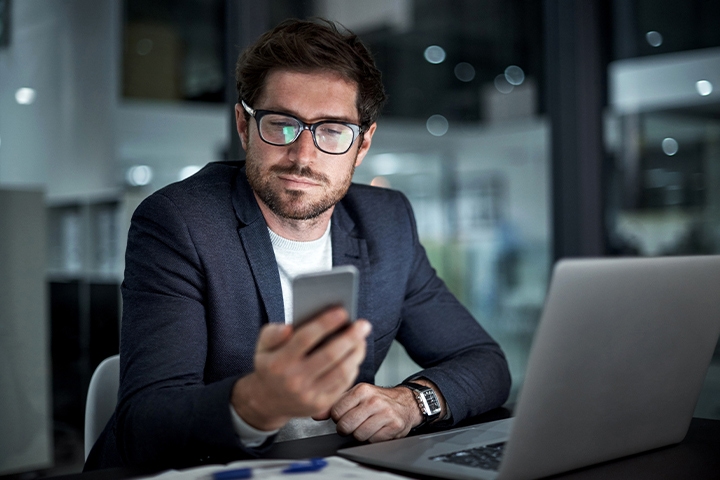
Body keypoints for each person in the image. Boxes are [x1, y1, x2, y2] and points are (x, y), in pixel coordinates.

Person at [85, 18, 510, 471]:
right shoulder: (180, 223)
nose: (302, 157)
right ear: (244, 127)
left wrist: (412, 403)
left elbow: (483, 362)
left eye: (331, 130)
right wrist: (257, 403)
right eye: (282, 124)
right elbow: (145, 424)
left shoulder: (387, 223)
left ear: (362, 144)